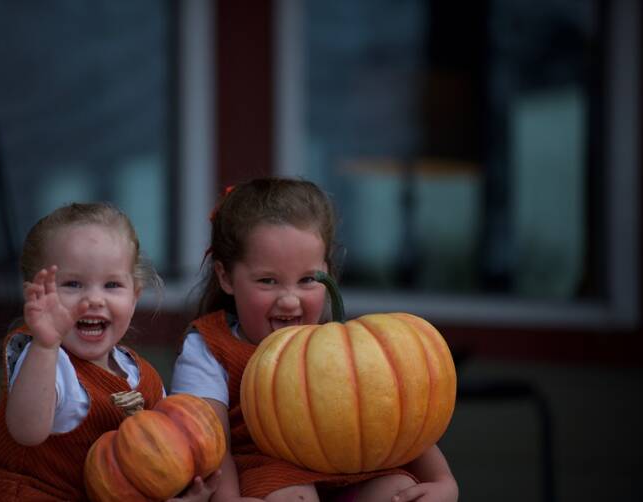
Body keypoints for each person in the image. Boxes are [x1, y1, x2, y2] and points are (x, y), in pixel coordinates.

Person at [171, 178, 458, 502]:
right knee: (296, 497)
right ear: (226, 277)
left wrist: (443, 480)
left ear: (329, 272)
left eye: (308, 279)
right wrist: (229, 500)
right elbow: (210, 438)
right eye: (268, 281)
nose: (290, 300)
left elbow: (399, 418)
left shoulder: (347, 349)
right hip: (267, 475)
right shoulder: (209, 346)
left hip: (352, 469)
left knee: (396, 491)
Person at [0, 202, 220, 501]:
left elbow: (161, 458)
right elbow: (26, 430)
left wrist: (180, 491)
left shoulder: (141, 378)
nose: (93, 299)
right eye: (73, 284)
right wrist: (46, 344)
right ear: (36, 296)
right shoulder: (47, 359)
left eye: (112, 285)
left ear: (135, 296)